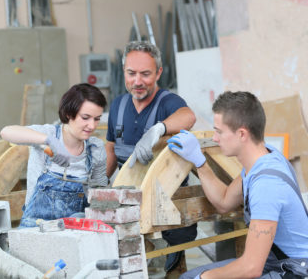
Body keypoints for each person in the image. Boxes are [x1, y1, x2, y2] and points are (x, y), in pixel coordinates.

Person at [167, 91, 308, 278]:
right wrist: (200, 162)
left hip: (294, 270)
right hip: (272, 261)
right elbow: (224, 201)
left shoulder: (267, 185)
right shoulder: (262, 159)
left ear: (242, 134)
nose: (215, 139)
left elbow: (251, 267)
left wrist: (205, 277)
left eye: (219, 131)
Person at [106, 40, 197, 274]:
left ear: (158, 72)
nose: (137, 81)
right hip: (127, 196)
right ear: (123, 72)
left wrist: (159, 128)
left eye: (145, 74)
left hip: (165, 200)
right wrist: (100, 183)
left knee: (166, 263)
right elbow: (110, 148)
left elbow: (188, 116)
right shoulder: (119, 105)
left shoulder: (168, 103)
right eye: (131, 73)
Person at [1, 83, 108, 228]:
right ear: (69, 114)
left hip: (74, 232)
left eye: (97, 119)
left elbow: (99, 194)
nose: (92, 126)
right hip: (35, 229)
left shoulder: (95, 148)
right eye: (85, 118)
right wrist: (48, 140)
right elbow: (7, 132)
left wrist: (87, 216)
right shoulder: (48, 133)